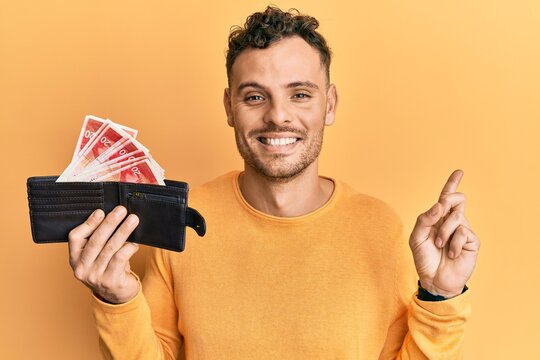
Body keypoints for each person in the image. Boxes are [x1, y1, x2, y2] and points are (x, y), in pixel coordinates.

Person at [67, 6, 480, 359]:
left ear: (329, 104)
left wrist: (438, 295)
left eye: (299, 94)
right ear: (229, 106)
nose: (278, 116)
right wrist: (117, 300)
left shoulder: (380, 227)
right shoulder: (186, 220)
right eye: (254, 96)